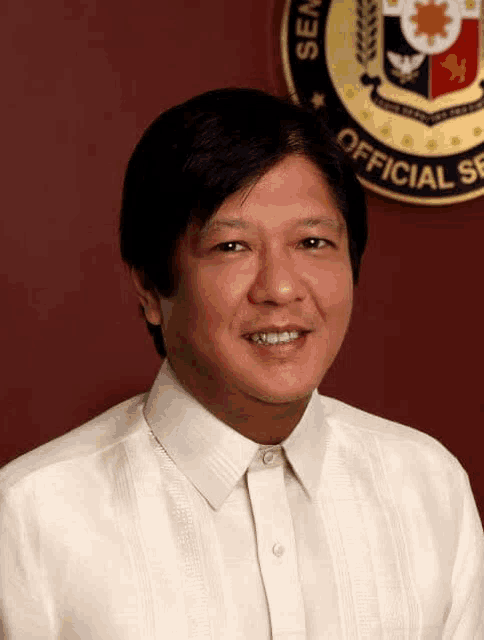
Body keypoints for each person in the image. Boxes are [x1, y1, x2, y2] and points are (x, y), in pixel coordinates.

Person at [0, 88, 482, 639]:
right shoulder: (31, 515)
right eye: (232, 248)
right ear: (150, 288)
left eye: (312, 241)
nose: (279, 287)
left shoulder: (427, 486)